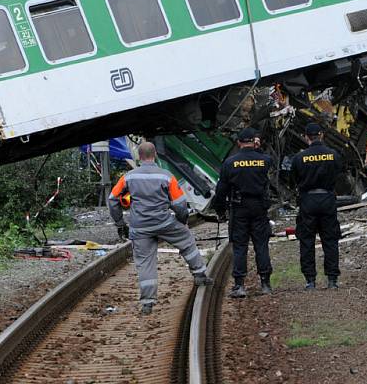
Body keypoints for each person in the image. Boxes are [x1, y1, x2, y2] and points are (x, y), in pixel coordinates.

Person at [108, 141, 213, 315]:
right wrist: (182, 220)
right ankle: (200, 274)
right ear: (155, 154)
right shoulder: (166, 176)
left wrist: (120, 223)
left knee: (145, 262)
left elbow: (112, 199)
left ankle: (148, 303)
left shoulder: (128, 177)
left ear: (139, 157)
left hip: (140, 227)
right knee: (186, 240)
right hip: (164, 222)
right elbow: (179, 203)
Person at [212, 127, 274, 298]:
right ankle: (265, 284)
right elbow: (267, 161)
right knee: (261, 244)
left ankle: (239, 285)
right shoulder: (264, 160)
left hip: (239, 209)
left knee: (240, 246)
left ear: (238, 143)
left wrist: (220, 210)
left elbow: (221, 191)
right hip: (259, 208)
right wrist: (258, 149)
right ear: (254, 141)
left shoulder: (230, 163)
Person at [291, 123, 343, 290]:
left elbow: (294, 179)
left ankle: (310, 280)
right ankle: (332, 279)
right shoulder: (333, 154)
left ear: (307, 137)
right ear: (321, 135)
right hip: (327, 199)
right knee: (330, 239)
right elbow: (339, 173)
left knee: (307, 240)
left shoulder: (299, 158)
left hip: (308, 201)